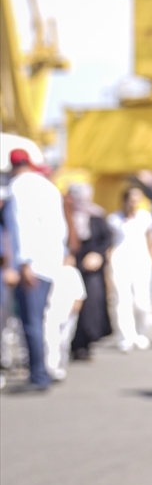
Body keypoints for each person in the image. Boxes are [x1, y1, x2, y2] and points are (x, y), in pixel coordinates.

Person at [2, 148, 67, 392]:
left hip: (31, 265)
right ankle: (47, 367)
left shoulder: (18, 188)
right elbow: (62, 229)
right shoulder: (49, 187)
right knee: (45, 320)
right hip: (50, 263)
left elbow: (21, 225)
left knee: (31, 323)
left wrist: (25, 262)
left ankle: (39, 375)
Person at [65, 183, 112, 360]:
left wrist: (97, 255)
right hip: (70, 265)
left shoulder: (96, 215)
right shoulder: (65, 215)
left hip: (91, 268)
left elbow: (106, 239)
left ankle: (85, 343)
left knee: (91, 304)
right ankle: (69, 343)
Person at [108, 186, 152, 352]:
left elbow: (151, 239)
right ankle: (124, 336)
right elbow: (109, 243)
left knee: (142, 301)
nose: (134, 203)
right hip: (121, 259)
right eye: (131, 199)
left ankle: (140, 332)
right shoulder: (114, 219)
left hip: (141, 259)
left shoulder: (145, 217)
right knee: (122, 300)